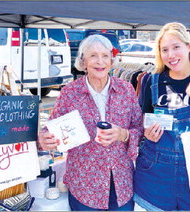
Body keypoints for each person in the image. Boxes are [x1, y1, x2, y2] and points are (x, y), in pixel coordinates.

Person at [38, 34, 144, 211]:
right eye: (93, 55)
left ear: (111, 61)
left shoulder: (125, 89)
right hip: (84, 185)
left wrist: (122, 134)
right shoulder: (70, 93)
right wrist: (44, 139)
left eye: (105, 56)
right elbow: (51, 129)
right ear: (83, 61)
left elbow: (139, 130)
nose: (100, 61)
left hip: (121, 183)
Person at [133, 22, 190, 211]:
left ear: (189, 46)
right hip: (156, 174)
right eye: (164, 50)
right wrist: (148, 133)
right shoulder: (151, 81)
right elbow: (144, 121)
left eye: (176, 47)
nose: (171, 55)